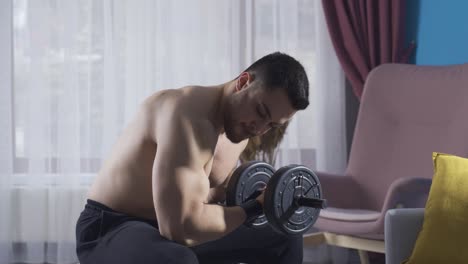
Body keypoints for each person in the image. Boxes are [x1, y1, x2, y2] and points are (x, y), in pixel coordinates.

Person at [75, 52, 310, 264]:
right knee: (175, 260)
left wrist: (255, 196)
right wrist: (254, 207)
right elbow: (180, 228)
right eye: (261, 112)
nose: (259, 129)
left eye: (271, 125)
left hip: (165, 228)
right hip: (112, 227)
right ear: (243, 82)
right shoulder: (185, 115)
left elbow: (201, 194)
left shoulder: (240, 130)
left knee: (284, 237)